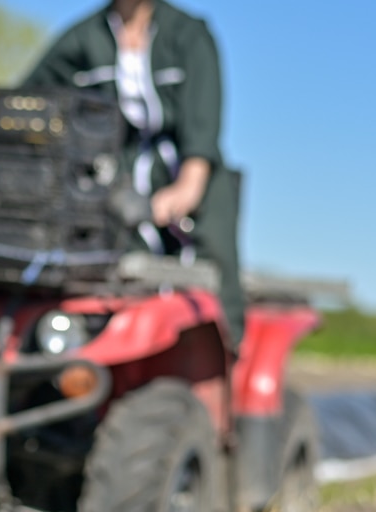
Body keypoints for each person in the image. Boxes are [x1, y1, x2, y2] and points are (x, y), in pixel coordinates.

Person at [22, 0, 247, 350]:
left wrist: (188, 184)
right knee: (97, 246)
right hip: (117, 168)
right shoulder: (84, 37)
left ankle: (228, 351)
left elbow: (203, 121)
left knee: (214, 243)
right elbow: (28, 97)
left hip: (183, 164)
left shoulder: (188, 33)